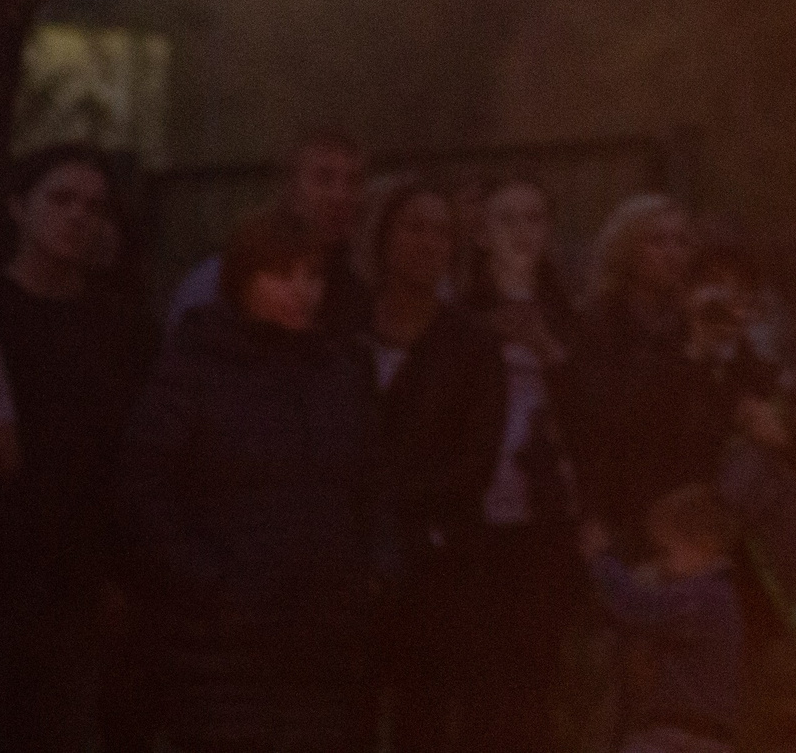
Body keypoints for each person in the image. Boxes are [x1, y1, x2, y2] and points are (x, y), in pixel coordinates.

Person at [124, 207, 384, 753]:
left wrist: (372, 569)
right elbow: (149, 491)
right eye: (280, 275)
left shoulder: (336, 369)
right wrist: (213, 585)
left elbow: (367, 481)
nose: (300, 291)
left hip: (323, 627)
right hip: (226, 637)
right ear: (244, 279)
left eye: (312, 276)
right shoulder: (195, 367)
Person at [0, 144, 154, 753]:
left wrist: (117, 571)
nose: (78, 216)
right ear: (18, 208)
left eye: (94, 205)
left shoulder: (118, 326)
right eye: (61, 199)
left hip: (76, 577)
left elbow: (127, 456)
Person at [361, 180, 506, 753]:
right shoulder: (345, 331)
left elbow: (475, 464)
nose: (427, 242)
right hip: (343, 559)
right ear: (384, 237)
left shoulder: (471, 344)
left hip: (434, 561)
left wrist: (389, 501)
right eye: (412, 227)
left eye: (441, 230)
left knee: (421, 717)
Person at [454, 174, 589, 753]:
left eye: (535, 218)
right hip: (479, 510)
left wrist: (549, 350)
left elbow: (595, 411)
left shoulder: (568, 312)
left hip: (545, 514)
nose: (523, 233)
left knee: (538, 671)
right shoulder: (462, 311)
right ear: (484, 233)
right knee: (481, 674)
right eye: (509, 219)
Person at [575, 192, 708, 548]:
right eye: (657, 240)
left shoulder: (694, 319)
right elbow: (605, 417)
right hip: (622, 498)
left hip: (689, 497)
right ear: (627, 250)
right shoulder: (599, 322)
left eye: (681, 241)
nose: (672, 252)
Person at [584, 483, 746, 753]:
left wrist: (602, 559)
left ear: (703, 544)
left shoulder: (703, 597)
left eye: (668, 551)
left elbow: (635, 607)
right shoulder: (714, 595)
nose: (662, 563)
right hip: (693, 732)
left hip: (686, 734)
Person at [167, 130, 372, 338]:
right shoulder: (218, 277)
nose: (341, 195)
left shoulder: (362, 279)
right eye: (324, 179)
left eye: (353, 181)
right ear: (290, 188)